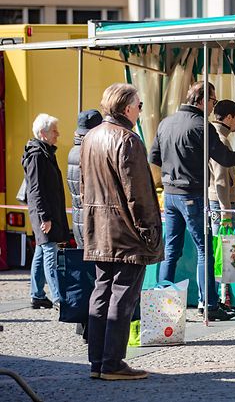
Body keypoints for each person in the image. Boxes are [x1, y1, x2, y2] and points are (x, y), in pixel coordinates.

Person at [149, 81, 235, 321]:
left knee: (171, 251)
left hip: (170, 194)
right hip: (192, 194)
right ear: (201, 100)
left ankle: (161, 304)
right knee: (204, 250)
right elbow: (225, 158)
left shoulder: (166, 123)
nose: (213, 106)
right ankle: (209, 304)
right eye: (212, 101)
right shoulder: (201, 126)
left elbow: (154, 157)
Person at [82, 83, 163, 380]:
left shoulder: (91, 136)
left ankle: (98, 362)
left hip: (99, 227)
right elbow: (138, 193)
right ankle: (112, 362)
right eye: (139, 106)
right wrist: (148, 230)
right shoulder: (127, 139)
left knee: (102, 290)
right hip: (125, 230)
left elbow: (83, 186)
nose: (141, 111)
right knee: (122, 296)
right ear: (127, 108)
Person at [23, 113, 68, 310]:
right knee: (51, 253)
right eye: (54, 131)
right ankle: (59, 298)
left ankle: (37, 295)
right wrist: (45, 216)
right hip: (44, 213)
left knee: (42, 252)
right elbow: (35, 189)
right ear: (43, 133)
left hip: (46, 211)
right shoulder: (37, 155)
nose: (58, 134)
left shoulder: (44, 152)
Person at [65, 108, 103, 341]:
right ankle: (91, 326)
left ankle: (84, 325)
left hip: (79, 220)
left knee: (87, 273)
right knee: (95, 277)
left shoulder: (73, 150)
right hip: (91, 220)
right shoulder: (88, 153)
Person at [209, 100, 235, 234]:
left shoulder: (213, 136)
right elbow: (221, 178)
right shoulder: (221, 140)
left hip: (217, 201)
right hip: (221, 202)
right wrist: (226, 211)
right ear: (229, 117)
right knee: (223, 249)